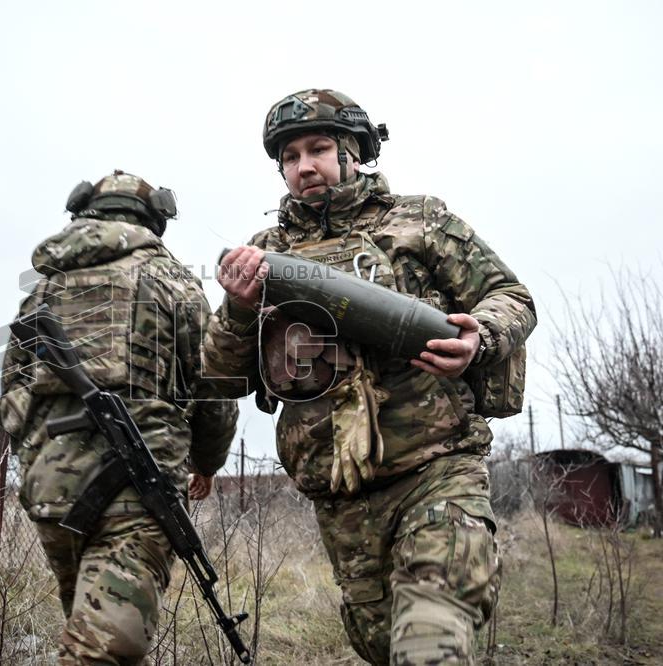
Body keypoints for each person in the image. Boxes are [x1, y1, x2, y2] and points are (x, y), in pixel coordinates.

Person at [204, 90, 536, 665]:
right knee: (381, 643)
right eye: (289, 157)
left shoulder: (419, 221)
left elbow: (511, 296)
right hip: (340, 494)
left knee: (429, 639)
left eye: (319, 148)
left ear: (353, 152)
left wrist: (479, 337)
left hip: (437, 470)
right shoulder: (264, 255)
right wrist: (237, 308)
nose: (304, 166)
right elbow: (221, 375)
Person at [0, 170, 238, 665]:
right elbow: (214, 388)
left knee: (95, 636)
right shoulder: (173, 282)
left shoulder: (44, 290)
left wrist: (41, 455)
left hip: (52, 494)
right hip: (135, 495)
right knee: (102, 651)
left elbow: (12, 395)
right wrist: (207, 463)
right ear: (154, 220)